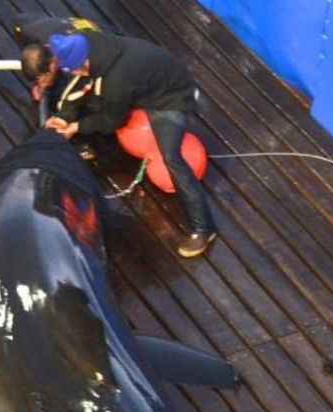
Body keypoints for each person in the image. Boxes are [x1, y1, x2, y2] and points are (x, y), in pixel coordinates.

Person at [44, 32, 217, 258]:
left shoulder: (117, 80)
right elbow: (81, 83)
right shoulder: (92, 44)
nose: (71, 74)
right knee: (99, 106)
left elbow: (112, 121)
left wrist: (75, 128)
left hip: (172, 98)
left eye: (72, 69)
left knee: (172, 159)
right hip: (149, 85)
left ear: (84, 62)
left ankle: (204, 228)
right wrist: (65, 116)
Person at [14, 14, 102, 126]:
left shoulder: (76, 68)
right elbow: (18, 20)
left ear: (51, 65)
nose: (41, 84)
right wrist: (38, 83)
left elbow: (73, 104)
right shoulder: (29, 30)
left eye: (42, 78)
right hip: (79, 29)